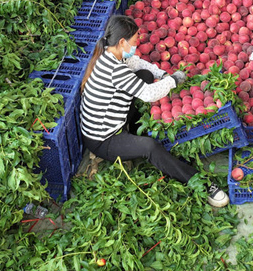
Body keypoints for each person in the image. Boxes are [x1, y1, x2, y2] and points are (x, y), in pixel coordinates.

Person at [80, 15, 230, 208]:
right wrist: (173, 80)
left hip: (111, 122)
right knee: (150, 147)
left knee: (145, 75)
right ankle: (201, 183)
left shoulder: (110, 55)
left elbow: (138, 64)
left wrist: (163, 74)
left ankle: (136, 130)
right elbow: (149, 94)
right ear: (122, 42)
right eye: (135, 40)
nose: (136, 45)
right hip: (104, 140)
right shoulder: (114, 70)